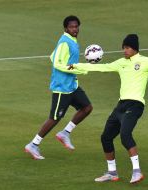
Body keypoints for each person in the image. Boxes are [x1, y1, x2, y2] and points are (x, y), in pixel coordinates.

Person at [67, 34, 148, 183]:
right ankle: (112, 173)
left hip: (135, 105)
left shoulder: (145, 62)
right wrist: (76, 66)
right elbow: (101, 67)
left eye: (127, 48)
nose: (125, 50)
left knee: (125, 135)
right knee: (105, 137)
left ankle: (137, 172)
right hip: (120, 105)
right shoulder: (121, 63)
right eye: (124, 48)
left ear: (135, 48)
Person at [24, 15, 92, 160]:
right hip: (62, 88)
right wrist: (80, 69)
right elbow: (57, 63)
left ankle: (65, 133)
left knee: (87, 108)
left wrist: (74, 70)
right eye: (72, 27)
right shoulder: (65, 42)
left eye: (76, 26)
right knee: (54, 118)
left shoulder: (72, 41)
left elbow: (52, 56)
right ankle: (33, 144)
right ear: (66, 28)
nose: (75, 29)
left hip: (72, 86)